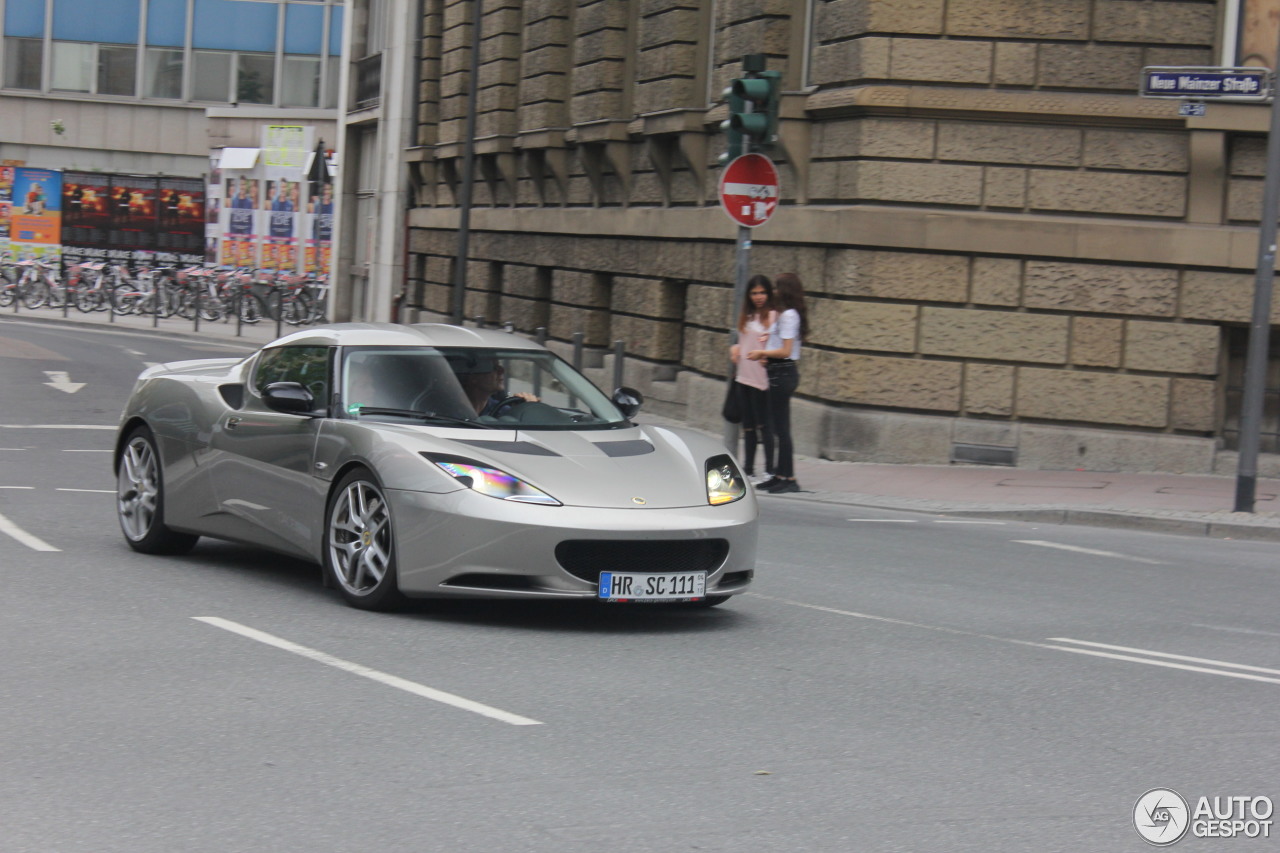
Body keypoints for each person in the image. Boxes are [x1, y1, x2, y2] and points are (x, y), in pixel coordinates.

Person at [748, 272, 808, 494]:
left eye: (777, 287)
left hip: (783, 373)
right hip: (776, 371)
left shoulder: (790, 316)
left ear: (785, 291)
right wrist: (766, 356)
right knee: (776, 426)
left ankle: (789, 478)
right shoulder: (784, 315)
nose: (773, 291)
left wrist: (762, 352)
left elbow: (785, 350)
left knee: (782, 429)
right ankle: (779, 475)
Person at [730, 274, 776, 483]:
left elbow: (779, 347)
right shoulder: (747, 317)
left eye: (762, 292)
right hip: (743, 376)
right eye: (754, 293)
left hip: (762, 379)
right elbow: (742, 341)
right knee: (747, 426)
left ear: (769, 294)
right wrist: (735, 348)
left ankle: (769, 470)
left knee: (764, 426)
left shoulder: (774, 317)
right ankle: (748, 469)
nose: (759, 297)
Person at [455, 356, 538, 416]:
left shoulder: (502, 411)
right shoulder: (449, 411)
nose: (501, 370)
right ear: (473, 376)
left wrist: (529, 409)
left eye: (499, 365)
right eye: (493, 367)